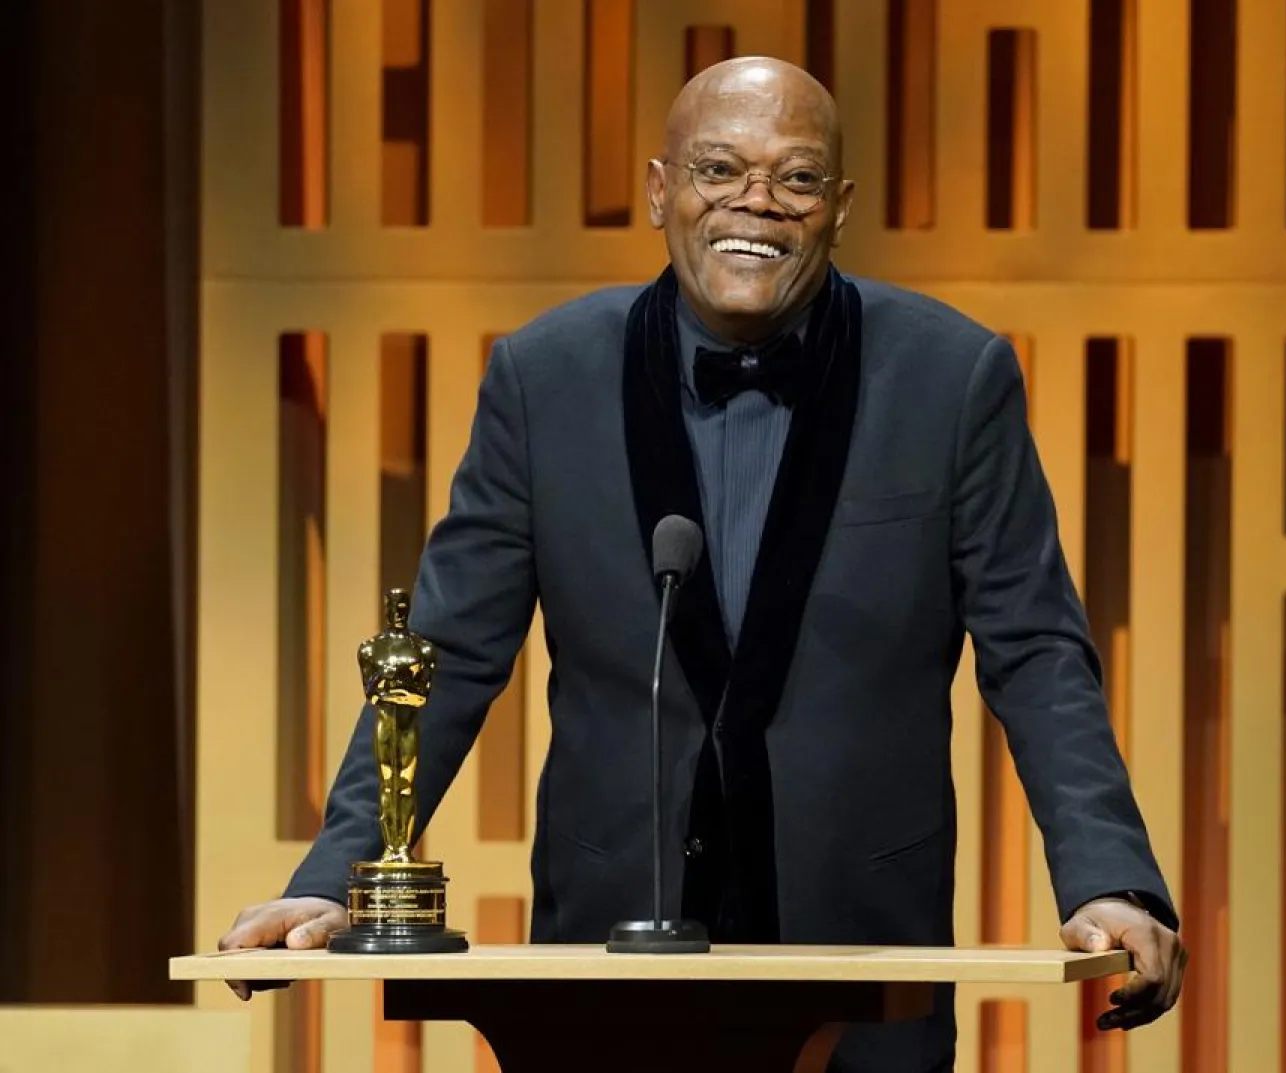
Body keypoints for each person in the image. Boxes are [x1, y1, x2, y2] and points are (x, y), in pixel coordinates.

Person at [219, 55, 1186, 1072]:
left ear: (840, 205)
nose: (755, 204)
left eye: (797, 178)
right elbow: (445, 656)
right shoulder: (543, 377)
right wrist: (338, 875)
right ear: (658, 189)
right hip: (606, 960)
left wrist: (1106, 877)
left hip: (864, 952)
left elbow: (1035, 649)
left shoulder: (954, 378)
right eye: (718, 168)